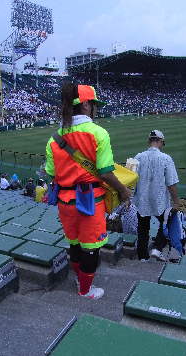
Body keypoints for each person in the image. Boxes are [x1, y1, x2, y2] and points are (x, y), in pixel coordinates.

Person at [45, 83, 130, 299]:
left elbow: (51, 173)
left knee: (74, 243)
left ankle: (79, 278)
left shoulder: (54, 139)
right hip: (90, 201)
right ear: (84, 105)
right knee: (91, 247)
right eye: (93, 104)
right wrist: (122, 190)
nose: (94, 108)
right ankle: (85, 289)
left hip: (65, 201)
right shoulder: (98, 133)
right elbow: (105, 172)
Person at [133, 130, 180, 262]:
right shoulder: (166, 158)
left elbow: (130, 179)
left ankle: (142, 257)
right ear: (160, 142)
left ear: (149, 141)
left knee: (142, 229)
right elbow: (171, 183)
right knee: (168, 222)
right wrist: (176, 202)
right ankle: (157, 248)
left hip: (141, 199)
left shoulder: (138, 156)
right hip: (159, 200)